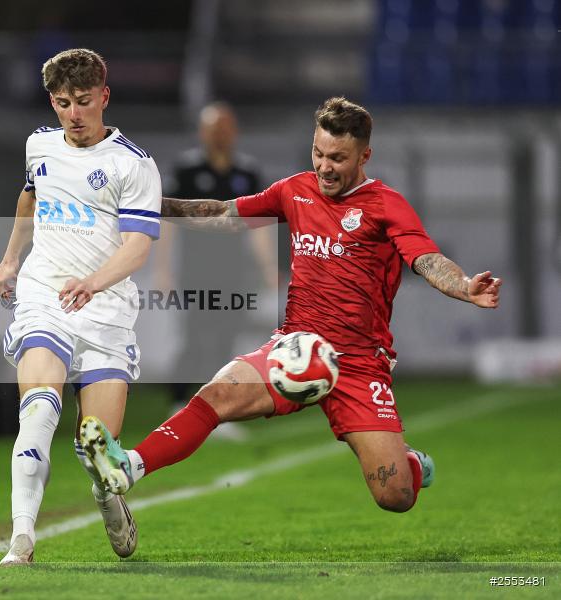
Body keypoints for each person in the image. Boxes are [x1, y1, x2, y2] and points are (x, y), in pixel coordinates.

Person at [81, 97, 502, 523]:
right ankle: (128, 465)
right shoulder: (294, 190)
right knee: (217, 394)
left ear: (364, 156)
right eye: (318, 153)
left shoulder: (385, 205)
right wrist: (150, 205)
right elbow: (224, 214)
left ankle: (410, 463)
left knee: (395, 495)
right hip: (294, 348)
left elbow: (425, 258)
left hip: (357, 363)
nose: (325, 167)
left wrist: (464, 286)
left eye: (338, 158)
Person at [0, 48, 161, 564]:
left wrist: (93, 281)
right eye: (63, 103)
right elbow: (29, 197)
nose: (74, 114)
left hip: (107, 310)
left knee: (98, 452)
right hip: (46, 296)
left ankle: (107, 498)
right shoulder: (38, 145)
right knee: (39, 409)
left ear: (104, 97)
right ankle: (21, 537)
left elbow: (138, 245)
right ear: (53, 101)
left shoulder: (133, 164)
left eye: (84, 102)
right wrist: (9, 261)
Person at [156, 102, 278, 440]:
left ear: (234, 132)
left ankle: (218, 410)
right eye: (212, 128)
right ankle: (178, 405)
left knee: (226, 339)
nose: (219, 134)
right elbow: (168, 222)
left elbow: (259, 225)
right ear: (202, 133)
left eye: (224, 127)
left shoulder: (247, 173)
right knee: (194, 336)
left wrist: (268, 268)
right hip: (194, 270)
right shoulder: (187, 170)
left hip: (233, 272)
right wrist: (163, 269)